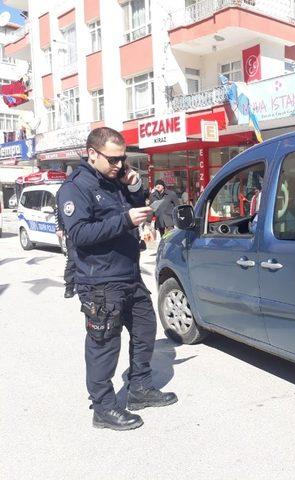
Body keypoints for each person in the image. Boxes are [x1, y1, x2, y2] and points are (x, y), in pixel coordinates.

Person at [57, 127, 177, 431]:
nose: (119, 165)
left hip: (129, 275)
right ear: (92, 153)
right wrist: (124, 220)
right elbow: (80, 234)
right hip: (100, 281)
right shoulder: (75, 188)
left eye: (123, 159)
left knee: (145, 330)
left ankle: (139, 389)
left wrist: (135, 188)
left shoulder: (115, 181)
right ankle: (104, 408)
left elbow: (132, 204)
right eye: (113, 159)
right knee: (104, 344)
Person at [54, 194, 76, 298]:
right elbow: (58, 209)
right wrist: (59, 227)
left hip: (88, 228)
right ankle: (69, 287)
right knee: (72, 260)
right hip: (71, 231)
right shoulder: (65, 189)